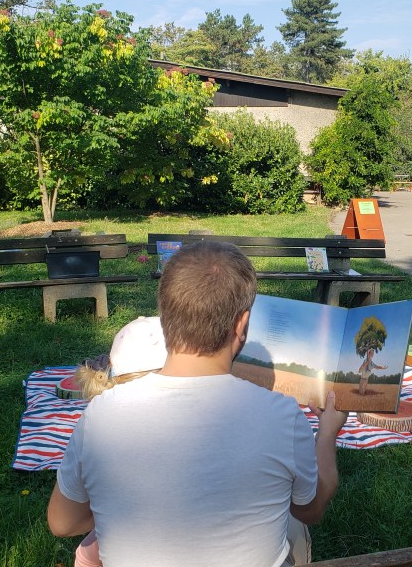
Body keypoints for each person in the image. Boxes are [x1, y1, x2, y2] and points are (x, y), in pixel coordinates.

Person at [48, 241, 349, 567]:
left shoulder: (100, 416)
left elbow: (62, 523)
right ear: (242, 325)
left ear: (165, 318)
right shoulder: (284, 417)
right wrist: (327, 434)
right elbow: (311, 509)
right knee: (292, 527)